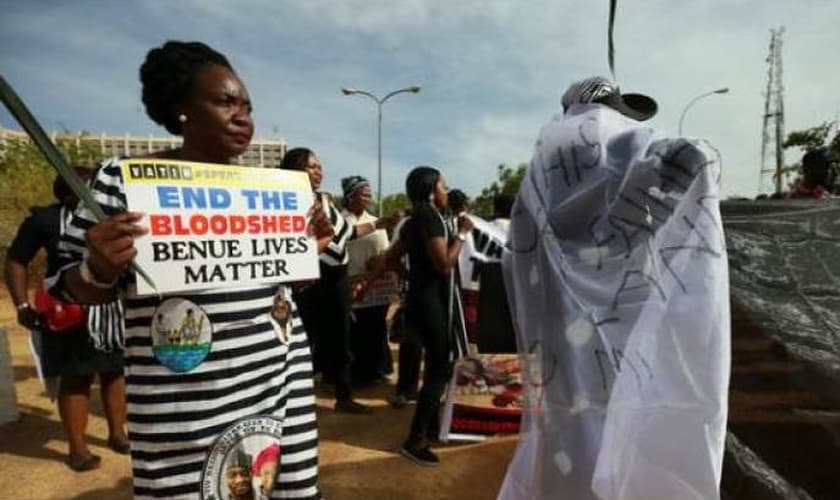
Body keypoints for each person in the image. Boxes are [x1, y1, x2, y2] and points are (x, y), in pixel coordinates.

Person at [52, 41, 322, 499]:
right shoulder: (125, 181)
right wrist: (98, 268)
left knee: (279, 484)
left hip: (278, 382)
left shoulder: (273, 191)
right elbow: (64, 286)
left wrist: (304, 250)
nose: (243, 118)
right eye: (226, 102)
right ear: (182, 110)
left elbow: (288, 286)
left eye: (247, 107)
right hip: (187, 404)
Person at [498, 76, 730, 500]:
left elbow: (519, 256)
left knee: (570, 431)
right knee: (627, 425)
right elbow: (695, 157)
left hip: (562, 336)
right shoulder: (626, 147)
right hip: (627, 325)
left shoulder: (543, 166)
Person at [4, 168, 128, 471]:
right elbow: (17, 260)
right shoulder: (44, 220)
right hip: (66, 311)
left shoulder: (110, 219)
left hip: (111, 312)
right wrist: (22, 304)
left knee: (114, 372)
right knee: (76, 378)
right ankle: (78, 449)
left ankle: (117, 434)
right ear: (68, 190)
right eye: (90, 186)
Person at [365, 166, 473, 465]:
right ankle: (416, 440)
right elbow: (444, 265)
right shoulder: (429, 217)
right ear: (431, 191)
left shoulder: (415, 220)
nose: (447, 191)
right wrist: (462, 235)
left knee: (436, 367)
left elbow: (390, 258)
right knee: (440, 369)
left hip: (421, 301)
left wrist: (412, 278)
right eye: (443, 186)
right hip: (435, 304)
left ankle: (431, 423)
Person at [279, 148, 396, 414]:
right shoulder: (287, 202)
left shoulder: (324, 200)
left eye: (319, 166)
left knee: (341, 339)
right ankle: (294, 399)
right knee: (304, 340)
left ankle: (344, 396)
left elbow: (347, 232)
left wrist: (379, 224)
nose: (318, 171)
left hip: (337, 279)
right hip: (309, 279)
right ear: (294, 169)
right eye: (311, 166)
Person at [340, 175, 393, 385]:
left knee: (375, 327)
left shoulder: (376, 221)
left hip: (376, 284)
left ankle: (376, 370)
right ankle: (352, 375)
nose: (368, 197)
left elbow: (386, 251)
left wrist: (379, 260)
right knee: (352, 330)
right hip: (348, 284)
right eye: (363, 193)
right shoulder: (341, 221)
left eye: (369, 194)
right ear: (350, 196)